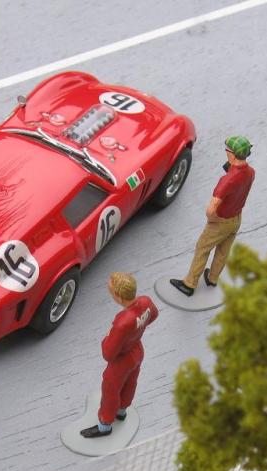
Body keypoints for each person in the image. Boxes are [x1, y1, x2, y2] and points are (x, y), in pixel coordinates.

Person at [170, 135, 255, 296]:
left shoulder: (227, 181)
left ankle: (189, 284)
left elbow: (211, 209)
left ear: (232, 154)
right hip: (237, 218)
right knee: (223, 250)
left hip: (221, 221)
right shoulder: (251, 172)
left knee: (202, 248)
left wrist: (213, 220)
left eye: (227, 150)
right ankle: (213, 278)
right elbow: (240, 185)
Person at [81, 273, 159, 438]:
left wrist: (107, 337)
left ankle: (105, 425)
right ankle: (122, 411)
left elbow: (108, 354)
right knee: (130, 382)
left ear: (119, 297)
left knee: (110, 390)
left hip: (121, 360)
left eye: (111, 292)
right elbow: (154, 315)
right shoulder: (145, 301)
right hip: (137, 350)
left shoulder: (122, 322)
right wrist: (135, 333)